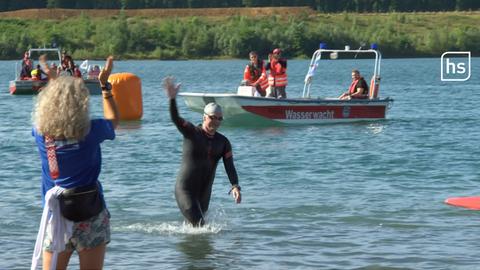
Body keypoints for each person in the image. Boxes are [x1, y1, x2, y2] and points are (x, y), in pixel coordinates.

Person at [31, 56, 119, 270]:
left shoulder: (41, 134)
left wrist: (53, 85)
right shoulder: (91, 130)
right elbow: (114, 119)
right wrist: (104, 85)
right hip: (90, 213)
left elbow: (56, 109)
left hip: (56, 216)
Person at [163, 76, 242, 227]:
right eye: (213, 118)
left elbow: (229, 166)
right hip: (185, 190)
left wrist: (235, 186)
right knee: (200, 225)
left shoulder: (223, 142)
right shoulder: (192, 132)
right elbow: (175, 118)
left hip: (204, 193)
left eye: (220, 119)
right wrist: (172, 99)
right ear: (204, 117)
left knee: (196, 230)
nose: (216, 122)